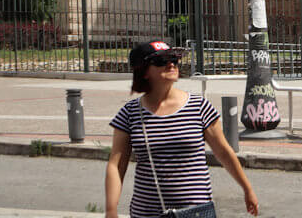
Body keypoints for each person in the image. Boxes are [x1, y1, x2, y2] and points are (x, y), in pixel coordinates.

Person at [105, 40, 259, 218]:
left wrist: (247, 189)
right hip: (148, 213)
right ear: (144, 71)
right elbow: (117, 165)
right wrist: (111, 210)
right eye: (161, 61)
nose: (171, 64)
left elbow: (224, 152)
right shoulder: (130, 113)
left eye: (174, 59)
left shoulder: (198, 107)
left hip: (196, 212)